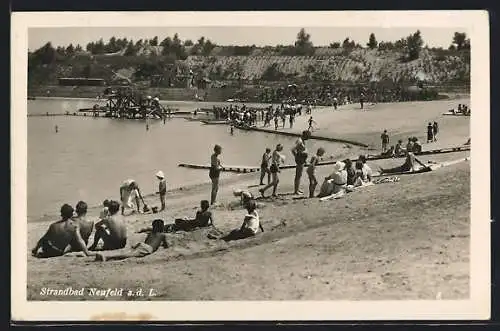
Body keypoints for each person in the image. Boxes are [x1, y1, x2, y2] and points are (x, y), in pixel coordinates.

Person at [95, 219, 169, 262]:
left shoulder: (151, 233)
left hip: (141, 245)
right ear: (161, 227)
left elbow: (147, 237)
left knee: (127, 252)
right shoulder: (162, 235)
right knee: (128, 255)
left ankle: (105, 254)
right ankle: (107, 257)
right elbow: (166, 245)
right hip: (147, 249)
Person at [291, 131, 310, 195]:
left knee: (299, 175)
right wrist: (297, 157)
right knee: (298, 175)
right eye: (308, 137)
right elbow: (293, 149)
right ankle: (296, 191)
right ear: (305, 135)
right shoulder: (299, 141)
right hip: (300, 160)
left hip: (302, 160)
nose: (308, 138)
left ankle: (297, 189)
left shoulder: (302, 140)